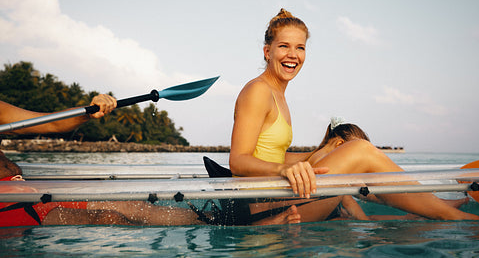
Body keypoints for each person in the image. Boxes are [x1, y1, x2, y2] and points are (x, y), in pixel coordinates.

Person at [229, 8, 479, 221]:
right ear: (267, 51)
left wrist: (314, 155)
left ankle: (433, 208)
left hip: (277, 196)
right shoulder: (258, 91)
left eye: (300, 47)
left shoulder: (277, 94)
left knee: (356, 161)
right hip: (263, 207)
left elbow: (266, 153)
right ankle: (451, 216)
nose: (293, 55)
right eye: (284, 46)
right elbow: (238, 160)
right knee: (360, 149)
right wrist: (285, 170)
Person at [0, 97, 299, 226]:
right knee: (110, 219)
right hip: (8, 212)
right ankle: (247, 227)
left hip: (27, 195)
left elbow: (51, 124)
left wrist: (88, 111)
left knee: (134, 207)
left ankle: (231, 224)